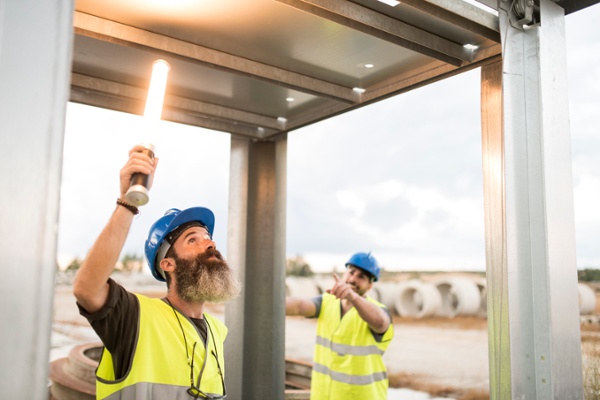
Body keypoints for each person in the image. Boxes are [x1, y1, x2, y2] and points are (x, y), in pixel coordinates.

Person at [73, 145, 241, 399]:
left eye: (208, 238)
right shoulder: (136, 318)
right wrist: (128, 203)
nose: (210, 243)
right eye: (192, 240)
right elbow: (87, 288)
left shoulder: (218, 331)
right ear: (168, 264)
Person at [285, 252, 394, 400]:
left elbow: (381, 323)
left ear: (370, 285)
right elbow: (299, 306)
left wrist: (353, 297)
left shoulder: (377, 311)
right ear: (344, 274)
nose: (353, 279)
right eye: (351, 272)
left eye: (361, 277)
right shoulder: (327, 302)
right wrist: (261, 299)